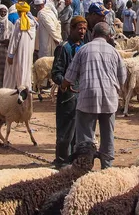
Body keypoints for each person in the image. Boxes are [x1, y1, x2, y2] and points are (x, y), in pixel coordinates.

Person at [64, 22, 126, 169]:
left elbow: (70, 76)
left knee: (85, 136)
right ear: (108, 36)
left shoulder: (84, 50)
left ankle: (84, 166)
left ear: (93, 34)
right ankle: (107, 167)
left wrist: (64, 85)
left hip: (88, 96)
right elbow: (123, 78)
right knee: (107, 135)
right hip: (109, 97)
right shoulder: (114, 52)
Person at [51, 16, 87, 168]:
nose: (82, 32)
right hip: (68, 95)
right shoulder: (63, 48)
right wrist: (65, 82)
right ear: (71, 29)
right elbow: (56, 73)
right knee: (66, 129)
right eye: (79, 29)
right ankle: (61, 161)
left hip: (82, 93)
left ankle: (74, 161)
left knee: (79, 130)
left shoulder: (84, 46)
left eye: (84, 29)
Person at [3, 0, 37, 89]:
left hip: (20, 52)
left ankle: (20, 94)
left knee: (20, 72)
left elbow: (14, 40)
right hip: (29, 52)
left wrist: (10, 55)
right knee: (26, 72)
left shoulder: (19, 22)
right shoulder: (32, 22)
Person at [0, 5, 13, 90]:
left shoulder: (10, 24)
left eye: (5, 12)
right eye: (1, 11)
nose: (3, 13)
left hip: (5, 49)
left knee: (6, 70)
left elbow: (13, 37)